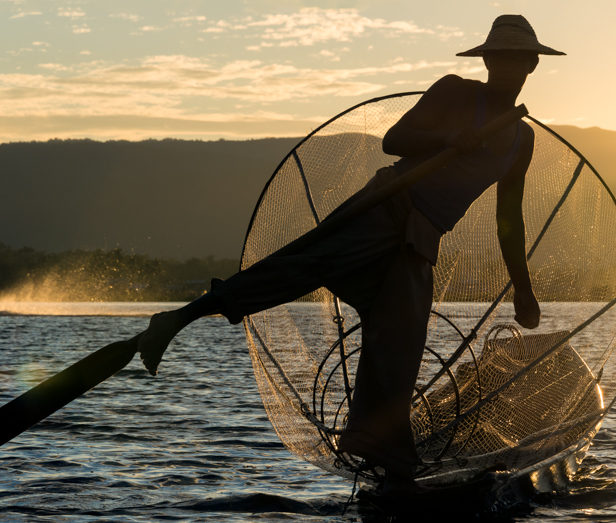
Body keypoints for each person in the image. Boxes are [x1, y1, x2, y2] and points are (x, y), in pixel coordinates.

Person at [137, 14, 562, 495]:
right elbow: (393, 141)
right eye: (500, 57)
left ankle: (390, 465)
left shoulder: (521, 140)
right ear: (486, 60)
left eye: (518, 60)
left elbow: (510, 218)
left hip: (421, 237)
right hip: (385, 207)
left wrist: (523, 290)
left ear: (532, 65)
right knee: (297, 268)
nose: (508, 67)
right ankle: (174, 321)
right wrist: (448, 139)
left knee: (400, 346)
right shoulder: (456, 93)